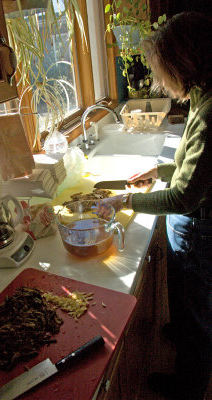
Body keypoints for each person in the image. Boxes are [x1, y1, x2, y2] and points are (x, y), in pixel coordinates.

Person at [98, 11, 212, 400]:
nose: (161, 80)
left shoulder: (210, 111)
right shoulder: (201, 94)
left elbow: (185, 195)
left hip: (201, 227)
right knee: (185, 298)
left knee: (199, 319)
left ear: (185, 61)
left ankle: (189, 388)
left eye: (163, 69)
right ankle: (181, 330)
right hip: (193, 227)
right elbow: (194, 166)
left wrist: (127, 199)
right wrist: (161, 168)